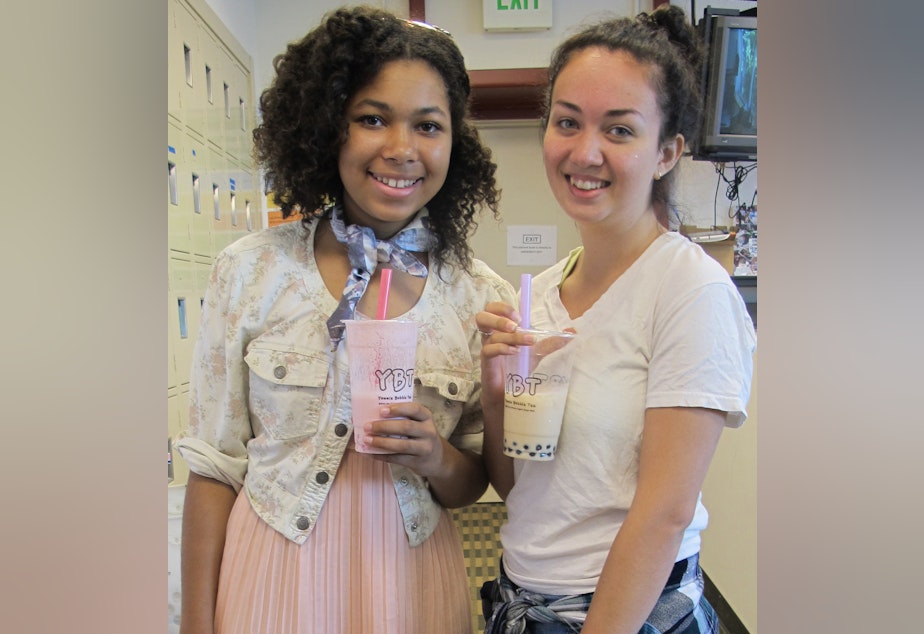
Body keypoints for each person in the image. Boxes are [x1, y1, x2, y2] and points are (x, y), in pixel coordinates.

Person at [174, 6, 516, 633]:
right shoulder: (251, 270)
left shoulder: (477, 297)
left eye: (428, 125)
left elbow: (476, 481)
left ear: (454, 144)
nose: (401, 149)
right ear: (328, 127)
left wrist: (434, 456)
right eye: (372, 118)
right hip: (274, 574)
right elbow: (213, 467)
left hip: (408, 584)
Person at [476, 6, 757, 633]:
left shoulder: (689, 290)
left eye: (620, 130)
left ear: (666, 153)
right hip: (523, 599)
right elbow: (517, 484)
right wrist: (496, 398)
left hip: (627, 614)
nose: (586, 151)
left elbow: (665, 511)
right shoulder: (539, 295)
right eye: (567, 122)